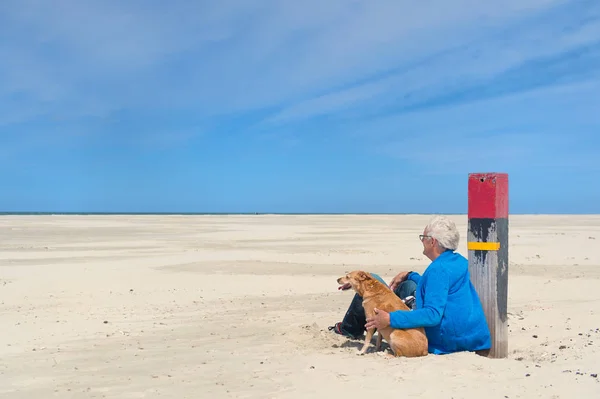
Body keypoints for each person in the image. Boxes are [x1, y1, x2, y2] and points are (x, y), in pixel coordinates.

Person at [329, 215, 491, 355]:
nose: (422, 241)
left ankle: (348, 329)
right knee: (407, 285)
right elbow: (439, 289)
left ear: (432, 242)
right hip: (469, 335)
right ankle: (352, 327)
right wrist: (411, 275)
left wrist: (390, 318)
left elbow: (433, 314)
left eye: (423, 237)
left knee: (370, 282)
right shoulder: (458, 261)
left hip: (447, 339)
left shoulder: (439, 270)